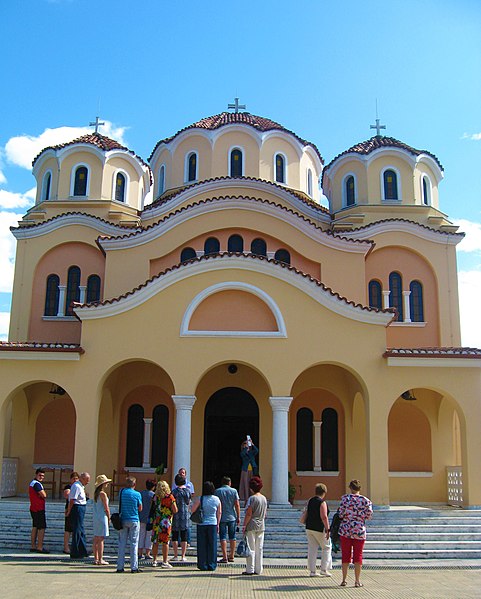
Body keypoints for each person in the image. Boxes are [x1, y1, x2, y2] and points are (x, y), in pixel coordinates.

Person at [338, 479, 373, 588]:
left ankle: (344, 580)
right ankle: (357, 581)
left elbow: (340, 514)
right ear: (359, 488)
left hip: (346, 530)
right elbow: (369, 516)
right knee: (358, 555)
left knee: (345, 555)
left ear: (350, 488)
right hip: (359, 530)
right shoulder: (366, 501)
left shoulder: (345, 499)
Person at [191, 481, 221, 571]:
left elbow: (192, 510)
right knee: (212, 545)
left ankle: (202, 564)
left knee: (202, 545)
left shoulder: (200, 499)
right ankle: (212, 564)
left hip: (202, 523)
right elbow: (219, 512)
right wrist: (218, 524)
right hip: (213, 523)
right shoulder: (216, 499)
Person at [304, 482, 332, 577]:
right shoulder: (322, 502)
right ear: (324, 492)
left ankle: (312, 571)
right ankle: (324, 569)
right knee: (326, 547)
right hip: (319, 528)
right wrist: (328, 529)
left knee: (312, 549)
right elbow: (324, 516)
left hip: (309, 527)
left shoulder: (310, 500)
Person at [116, 477, 143, 573]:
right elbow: (140, 508)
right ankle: (134, 567)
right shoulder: (137, 494)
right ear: (134, 485)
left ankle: (120, 566)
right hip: (134, 519)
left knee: (122, 543)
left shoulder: (122, 492)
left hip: (123, 519)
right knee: (134, 543)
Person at [242, 475, 267, 575]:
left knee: (251, 548)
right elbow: (265, 513)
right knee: (259, 548)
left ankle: (250, 569)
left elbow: (249, 513)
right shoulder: (264, 499)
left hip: (251, 525)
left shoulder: (252, 499)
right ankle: (258, 569)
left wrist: (244, 525)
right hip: (261, 525)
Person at [151, 480, 178, 568]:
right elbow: (175, 510)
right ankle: (165, 561)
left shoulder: (155, 497)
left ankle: (154, 560)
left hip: (156, 521)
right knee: (165, 541)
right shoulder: (170, 497)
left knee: (155, 541)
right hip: (166, 521)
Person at [215, 476, 240, 563]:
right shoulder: (234, 491)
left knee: (223, 536)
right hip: (232, 517)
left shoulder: (217, 491)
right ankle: (232, 555)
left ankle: (225, 556)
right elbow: (237, 504)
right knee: (232, 536)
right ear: (229, 483)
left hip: (221, 517)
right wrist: (238, 516)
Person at [66, 471, 90, 559]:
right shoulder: (76, 486)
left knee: (81, 530)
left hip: (81, 507)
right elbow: (72, 500)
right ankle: (75, 552)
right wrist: (69, 510)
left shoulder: (81, 486)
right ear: (82, 478)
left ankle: (82, 550)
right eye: (87, 480)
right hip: (77, 508)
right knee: (77, 530)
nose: (88, 482)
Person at [29, 468, 49, 554]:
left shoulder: (32, 483)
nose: (41, 477)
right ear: (36, 474)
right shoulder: (37, 484)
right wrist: (44, 494)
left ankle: (33, 546)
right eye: (40, 475)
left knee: (35, 526)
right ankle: (40, 547)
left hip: (33, 508)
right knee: (41, 528)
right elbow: (44, 495)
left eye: (43, 476)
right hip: (38, 508)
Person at [172, 473, 191, 561]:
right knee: (184, 535)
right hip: (185, 514)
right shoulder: (187, 491)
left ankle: (175, 555)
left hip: (175, 514)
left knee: (175, 535)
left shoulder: (174, 492)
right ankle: (183, 556)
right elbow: (188, 502)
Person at [92, 474, 111, 565]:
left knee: (96, 538)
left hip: (96, 517)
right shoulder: (103, 494)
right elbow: (106, 507)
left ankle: (96, 558)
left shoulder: (96, 494)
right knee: (101, 539)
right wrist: (109, 516)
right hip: (102, 517)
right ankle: (100, 558)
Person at [138, 479, 155, 561]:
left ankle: (140, 553)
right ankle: (147, 553)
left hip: (141, 516)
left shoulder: (141, 494)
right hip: (150, 518)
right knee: (149, 536)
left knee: (141, 535)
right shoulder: (153, 495)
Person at [63, 471, 79, 553]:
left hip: (76, 509)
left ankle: (74, 547)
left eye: (77, 479)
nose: (75, 480)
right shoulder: (69, 487)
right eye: (74, 479)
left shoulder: (79, 487)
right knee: (68, 529)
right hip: (69, 508)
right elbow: (67, 495)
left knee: (75, 529)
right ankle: (66, 547)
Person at [239, 439, 258, 503]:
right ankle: (245, 498)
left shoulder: (251, 452)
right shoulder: (243, 452)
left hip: (252, 469)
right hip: (245, 470)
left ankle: (252, 496)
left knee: (252, 483)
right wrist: (246, 448)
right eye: (245, 444)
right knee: (245, 483)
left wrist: (252, 444)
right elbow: (242, 454)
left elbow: (256, 451)